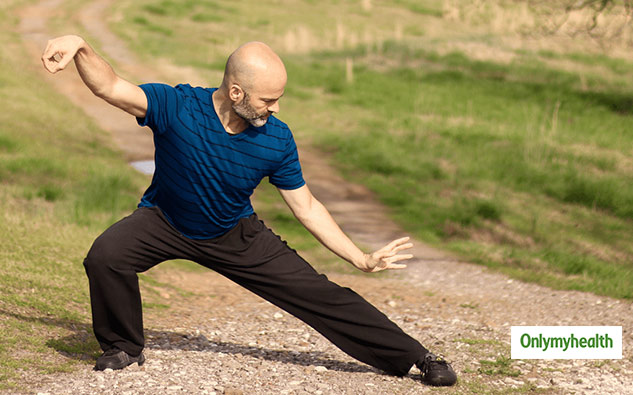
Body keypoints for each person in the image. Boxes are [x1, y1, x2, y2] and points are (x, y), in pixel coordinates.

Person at [41, 35, 457, 387]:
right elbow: (110, 87)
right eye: (268, 99)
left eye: (279, 99)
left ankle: (417, 357)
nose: (275, 108)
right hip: (164, 220)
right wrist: (80, 47)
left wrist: (361, 257)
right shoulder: (178, 106)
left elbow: (307, 206)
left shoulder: (276, 139)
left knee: (321, 294)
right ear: (236, 92)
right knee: (106, 256)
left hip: (234, 235)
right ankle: (123, 347)